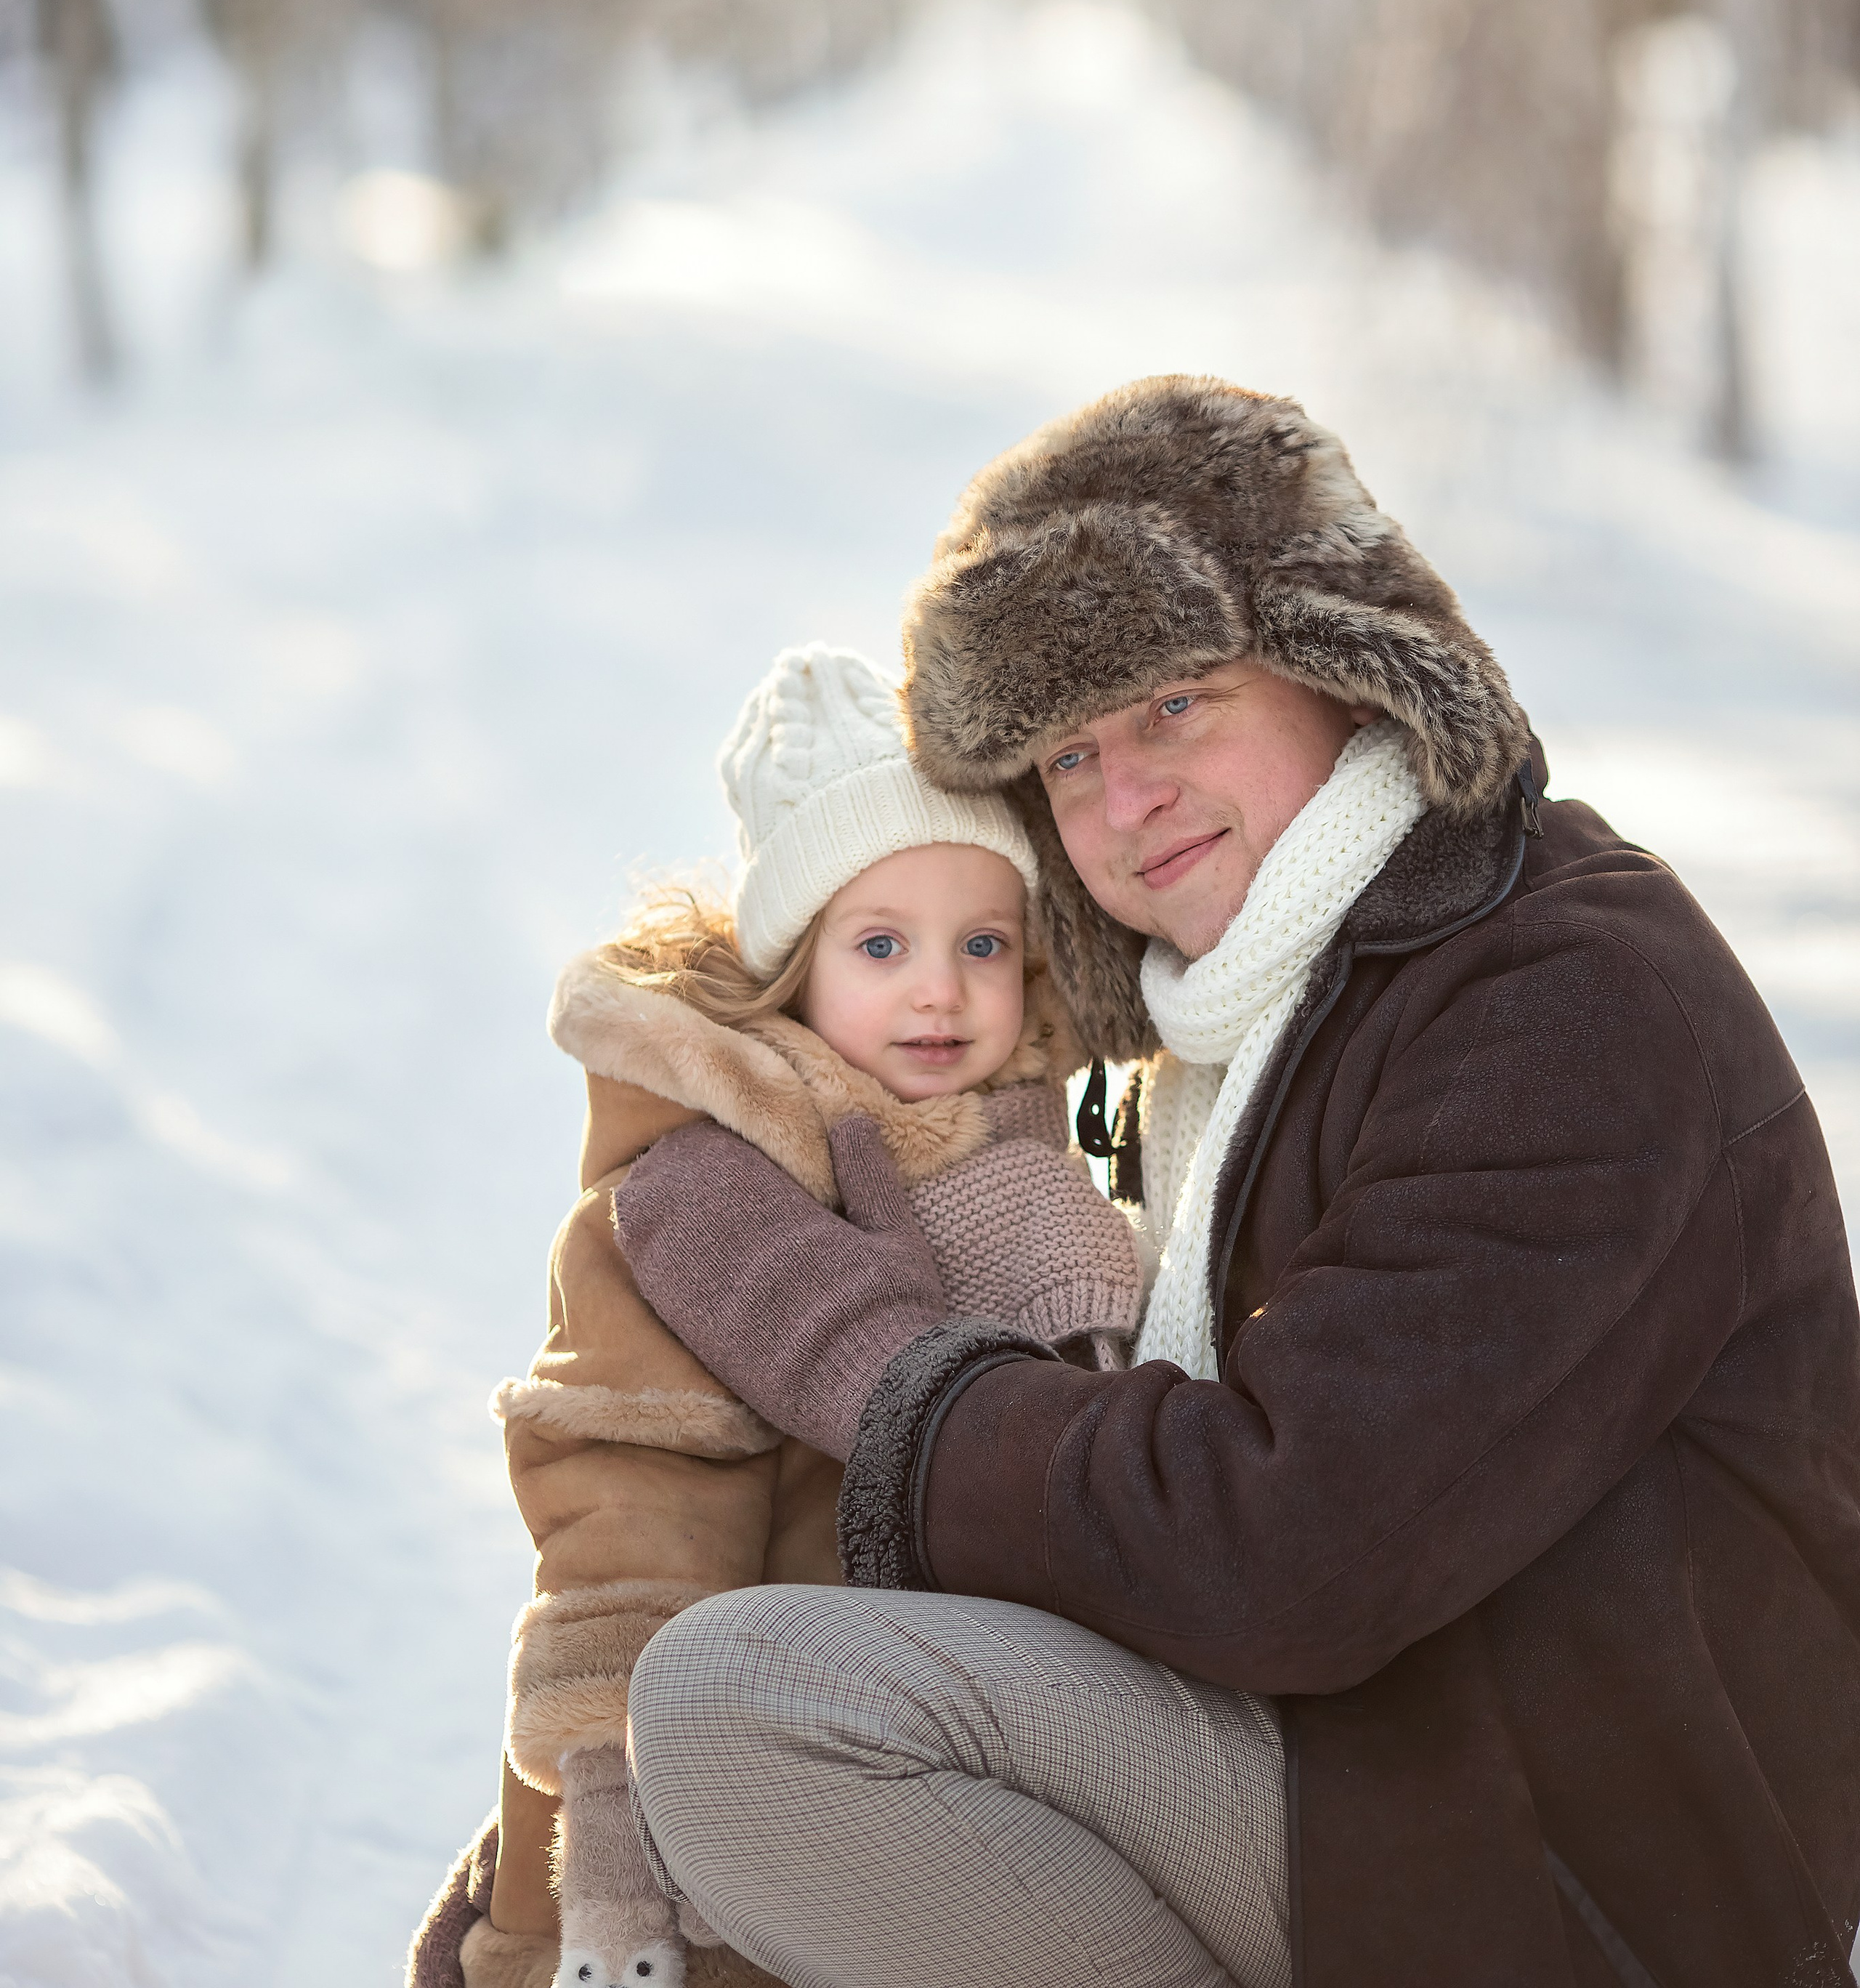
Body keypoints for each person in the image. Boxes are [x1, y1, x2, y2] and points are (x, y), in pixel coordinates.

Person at [612, 376, 1860, 1988]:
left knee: (748, 1706)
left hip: (1572, 1870)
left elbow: (1279, 1554)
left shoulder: (1561, 997)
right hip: (1388, 1765)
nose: (1122, 801)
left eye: (1173, 705)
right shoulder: (1231, 1021)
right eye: (1066, 754)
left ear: (1339, 668)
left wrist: (880, 1375)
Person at [406, 643, 1144, 1988]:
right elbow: (631, 1527)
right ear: (791, 970)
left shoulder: (1032, 1182)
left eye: (984, 945)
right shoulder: (707, 1196)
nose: (942, 990)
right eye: (882, 947)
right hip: (702, 1832)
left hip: (916, 1787)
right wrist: (614, 1853)